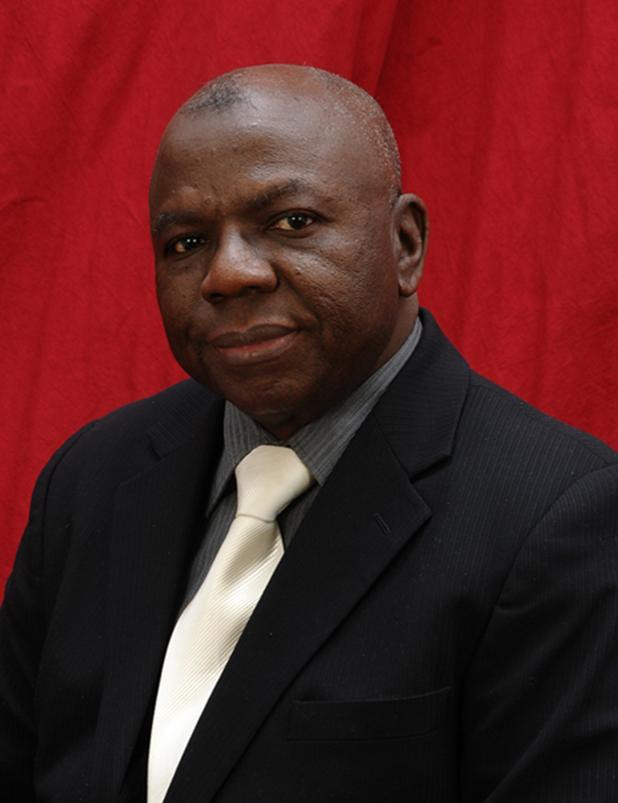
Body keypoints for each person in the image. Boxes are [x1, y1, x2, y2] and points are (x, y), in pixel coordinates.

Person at [1, 64, 617, 803]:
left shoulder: (558, 518)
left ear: (406, 244)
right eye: (187, 242)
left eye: (291, 222)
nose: (227, 274)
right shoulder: (91, 479)